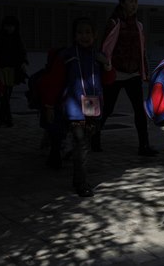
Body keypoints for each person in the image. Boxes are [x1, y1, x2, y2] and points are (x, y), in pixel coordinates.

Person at [40, 18, 116, 197]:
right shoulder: (67, 56)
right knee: (81, 144)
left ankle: (69, 165)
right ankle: (81, 182)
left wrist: (107, 65)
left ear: (94, 35)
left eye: (88, 32)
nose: (84, 36)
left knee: (83, 144)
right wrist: (49, 105)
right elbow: (55, 82)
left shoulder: (98, 56)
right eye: (80, 32)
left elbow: (109, 81)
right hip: (74, 108)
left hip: (93, 107)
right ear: (74, 35)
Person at [93, 0, 156, 156]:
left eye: (136, 1)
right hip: (115, 72)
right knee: (107, 108)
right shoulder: (114, 23)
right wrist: (107, 66)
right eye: (130, 1)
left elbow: (141, 50)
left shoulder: (139, 25)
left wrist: (144, 71)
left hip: (133, 73)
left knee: (139, 111)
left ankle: (144, 145)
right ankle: (94, 138)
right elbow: (105, 47)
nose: (134, 4)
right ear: (122, 3)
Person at [0, 16, 29, 127]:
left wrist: (23, 62)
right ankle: (5, 119)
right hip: (0, 69)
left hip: (11, 70)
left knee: (6, 95)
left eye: (12, 26)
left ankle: (3, 118)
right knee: (2, 95)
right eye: (8, 26)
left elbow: (21, 52)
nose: (10, 28)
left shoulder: (16, 38)